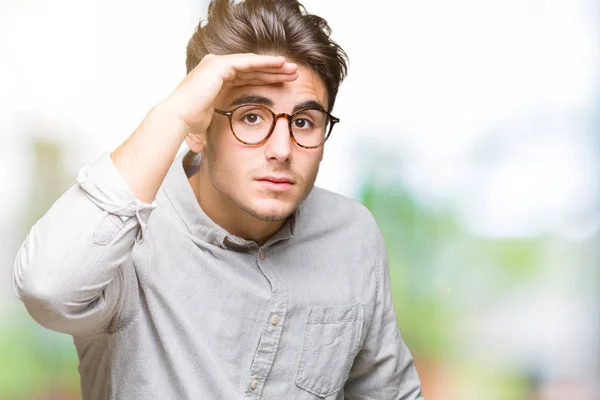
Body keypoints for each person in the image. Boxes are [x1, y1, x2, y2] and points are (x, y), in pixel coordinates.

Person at [13, 0, 424, 398]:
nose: (282, 149)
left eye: (303, 122)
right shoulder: (128, 236)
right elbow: (47, 289)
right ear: (198, 129)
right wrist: (173, 114)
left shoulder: (352, 237)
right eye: (251, 116)